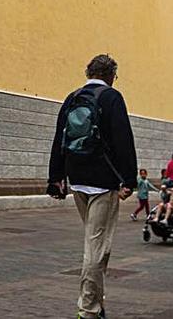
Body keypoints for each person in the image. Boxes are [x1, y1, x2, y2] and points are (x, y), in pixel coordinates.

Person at [48, 54, 138, 319]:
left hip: (77, 180)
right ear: (112, 75)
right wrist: (129, 179)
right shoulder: (112, 97)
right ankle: (87, 310)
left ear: (89, 72)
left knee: (98, 243)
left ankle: (97, 305)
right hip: (103, 182)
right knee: (96, 247)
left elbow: (58, 139)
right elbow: (124, 140)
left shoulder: (72, 97)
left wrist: (55, 178)